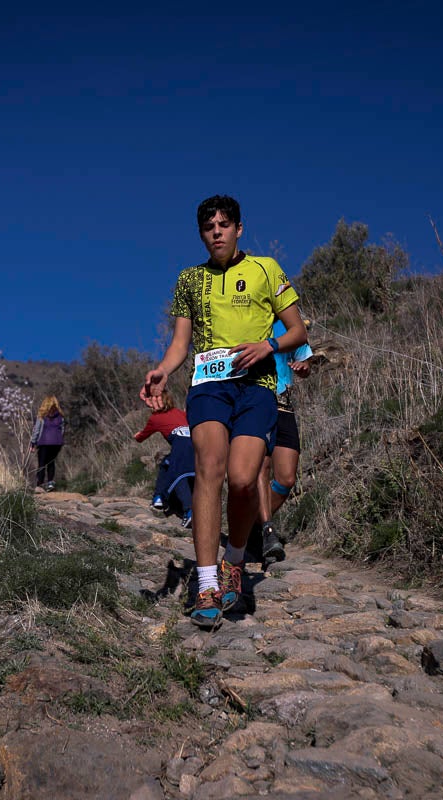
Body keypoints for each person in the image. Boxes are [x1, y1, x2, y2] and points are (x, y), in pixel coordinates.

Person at [140, 194, 307, 630]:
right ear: (202, 234)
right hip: (209, 386)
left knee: (242, 478)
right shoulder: (189, 280)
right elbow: (180, 343)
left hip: (257, 387)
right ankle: (208, 581)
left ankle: (235, 558)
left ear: (238, 229)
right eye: (208, 226)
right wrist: (161, 371)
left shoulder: (266, 269)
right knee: (209, 468)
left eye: (224, 224)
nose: (216, 231)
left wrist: (267, 346)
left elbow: (297, 330)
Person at [248, 317, 316, 566]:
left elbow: (305, 360)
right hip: (256, 403)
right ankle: (267, 531)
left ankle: (252, 524)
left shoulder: (290, 327)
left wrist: (303, 367)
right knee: (262, 468)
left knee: (286, 479)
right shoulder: (249, 321)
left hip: (284, 406)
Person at [134, 389, 194, 528]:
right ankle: (159, 496)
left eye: (151, 399)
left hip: (181, 444)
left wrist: (136, 435)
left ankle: (188, 511)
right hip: (196, 442)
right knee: (167, 463)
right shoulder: (180, 413)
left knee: (179, 475)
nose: (148, 402)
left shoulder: (155, 418)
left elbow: (141, 437)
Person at [29, 395, 64, 491]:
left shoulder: (42, 416)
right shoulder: (60, 416)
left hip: (44, 442)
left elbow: (36, 430)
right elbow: (62, 430)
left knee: (42, 463)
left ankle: (39, 485)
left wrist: (33, 443)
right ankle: (50, 484)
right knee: (51, 462)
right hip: (57, 443)